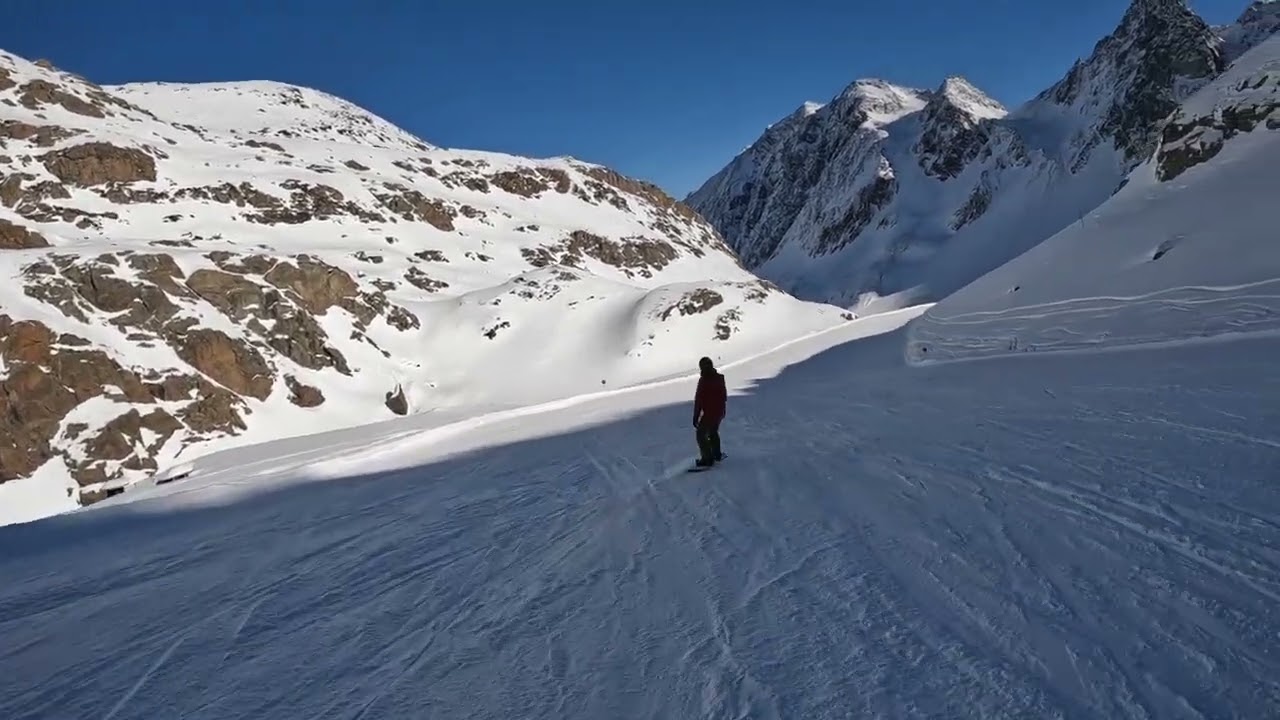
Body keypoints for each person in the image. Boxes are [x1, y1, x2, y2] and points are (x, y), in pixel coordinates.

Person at [692, 356, 727, 467]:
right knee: (712, 432)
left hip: (710, 413)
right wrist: (722, 411)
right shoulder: (719, 378)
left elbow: (699, 400)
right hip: (718, 412)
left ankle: (708, 459)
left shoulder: (704, 381)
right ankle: (716, 454)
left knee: (701, 434)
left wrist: (696, 416)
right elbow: (724, 396)